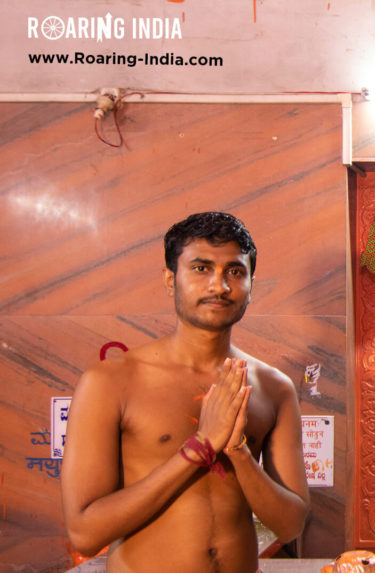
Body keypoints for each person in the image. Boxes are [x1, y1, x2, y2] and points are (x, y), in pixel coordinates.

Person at [61, 212, 310, 573]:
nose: (220, 286)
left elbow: (291, 525)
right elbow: (84, 532)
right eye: (201, 268)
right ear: (169, 279)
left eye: (235, 272)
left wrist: (237, 452)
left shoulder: (273, 388)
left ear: (251, 285)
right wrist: (199, 448)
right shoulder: (111, 381)